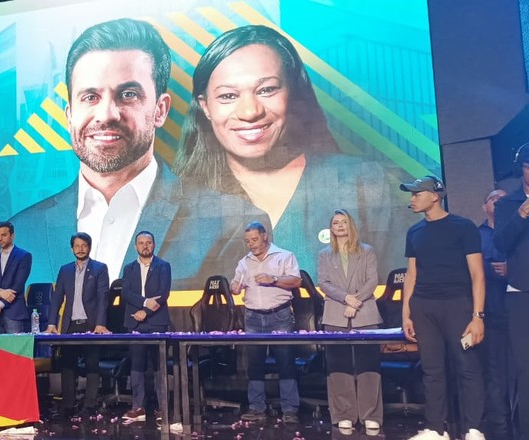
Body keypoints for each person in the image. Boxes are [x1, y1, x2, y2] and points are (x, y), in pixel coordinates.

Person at [10, 18, 264, 290]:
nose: (106, 114)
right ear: (70, 114)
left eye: (128, 94)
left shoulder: (232, 223)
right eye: (90, 97)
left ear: (160, 110)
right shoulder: (22, 231)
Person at [174, 24, 410, 279]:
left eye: (266, 90)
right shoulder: (175, 203)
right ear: (205, 107)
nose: (250, 111)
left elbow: (403, 286)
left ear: (293, 92)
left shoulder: (363, 183)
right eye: (228, 96)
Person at [399, 176, 485, 440]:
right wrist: (406, 315)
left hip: (457, 305)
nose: (412, 199)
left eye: (417, 194)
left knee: (467, 367)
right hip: (424, 306)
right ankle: (436, 429)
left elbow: (477, 274)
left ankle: (474, 429)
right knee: (432, 369)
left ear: (435, 195)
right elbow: (411, 275)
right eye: (411, 195)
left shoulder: (463, 227)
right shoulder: (414, 232)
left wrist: (478, 316)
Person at [493, 142, 529, 440]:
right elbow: (501, 244)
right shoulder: (508, 204)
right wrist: (528, 206)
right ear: (522, 171)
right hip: (525, 299)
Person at [316, 209, 382, 432]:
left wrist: (356, 301)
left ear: (350, 225)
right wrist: (346, 299)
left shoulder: (366, 251)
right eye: (336, 223)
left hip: (365, 312)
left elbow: (373, 280)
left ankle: (370, 414)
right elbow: (323, 283)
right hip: (336, 312)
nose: (340, 226)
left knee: (369, 365)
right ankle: (344, 413)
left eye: (344, 222)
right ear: (331, 228)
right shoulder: (325, 254)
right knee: (338, 366)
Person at [230, 222, 301, 424]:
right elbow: (236, 285)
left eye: (254, 239)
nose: (251, 244)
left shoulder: (284, 256)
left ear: (265, 236)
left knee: (285, 362)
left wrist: (274, 279)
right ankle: (257, 407)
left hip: (279, 315)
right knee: (254, 364)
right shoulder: (244, 262)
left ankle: (289, 409)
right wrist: (235, 287)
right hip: (252, 316)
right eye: (247, 241)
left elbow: (296, 281)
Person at [44, 232, 110, 417]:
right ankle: (68, 405)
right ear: (72, 248)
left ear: (89, 247)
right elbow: (57, 298)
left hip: (91, 325)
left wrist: (100, 324)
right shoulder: (65, 270)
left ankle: (90, 405)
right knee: (67, 365)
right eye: (77, 246)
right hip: (70, 325)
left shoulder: (99, 268)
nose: (80, 249)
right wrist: (51, 323)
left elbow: (103, 298)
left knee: (92, 365)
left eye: (84, 245)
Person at [120, 231, 170, 423]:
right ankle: (137, 407)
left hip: (156, 320)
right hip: (134, 321)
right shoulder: (129, 268)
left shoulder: (163, 266)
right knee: (137, 366)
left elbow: (163, 294)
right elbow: (126, 292)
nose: (145, 246)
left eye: (148, 242)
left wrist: (146, 312)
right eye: (141, 243)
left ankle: (162, 408)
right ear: (135, 247)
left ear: (154, 245)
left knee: (159, 365)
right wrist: (144, 303)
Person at [478, 188, 512, 439]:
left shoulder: (521, 230)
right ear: (484, 206)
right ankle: (499, 429)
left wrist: (513, 269)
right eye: (493, 198)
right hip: (490, 313)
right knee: (495, 373)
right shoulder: (476, 236)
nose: (498, 202)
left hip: (522, 311)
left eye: (503, 199)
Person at [0, 221, 32, 334]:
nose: (0, 238)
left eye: (4, 235)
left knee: (14, 350)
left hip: (14, 312)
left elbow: (17, 286)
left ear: (12, 236)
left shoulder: (23, 256)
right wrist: (0, 292)